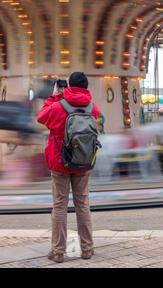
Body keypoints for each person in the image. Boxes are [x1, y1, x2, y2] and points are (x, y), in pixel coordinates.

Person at [37, 72, 100, 263]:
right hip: (83, 162)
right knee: (83, 205)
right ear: (86, 86)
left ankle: (58, 252)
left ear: (69, 85)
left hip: (60, 163)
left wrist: (55, 95)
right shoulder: (92, 108)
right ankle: (87, 249)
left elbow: (41, 118)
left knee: (59, 206)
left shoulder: (57, 106)